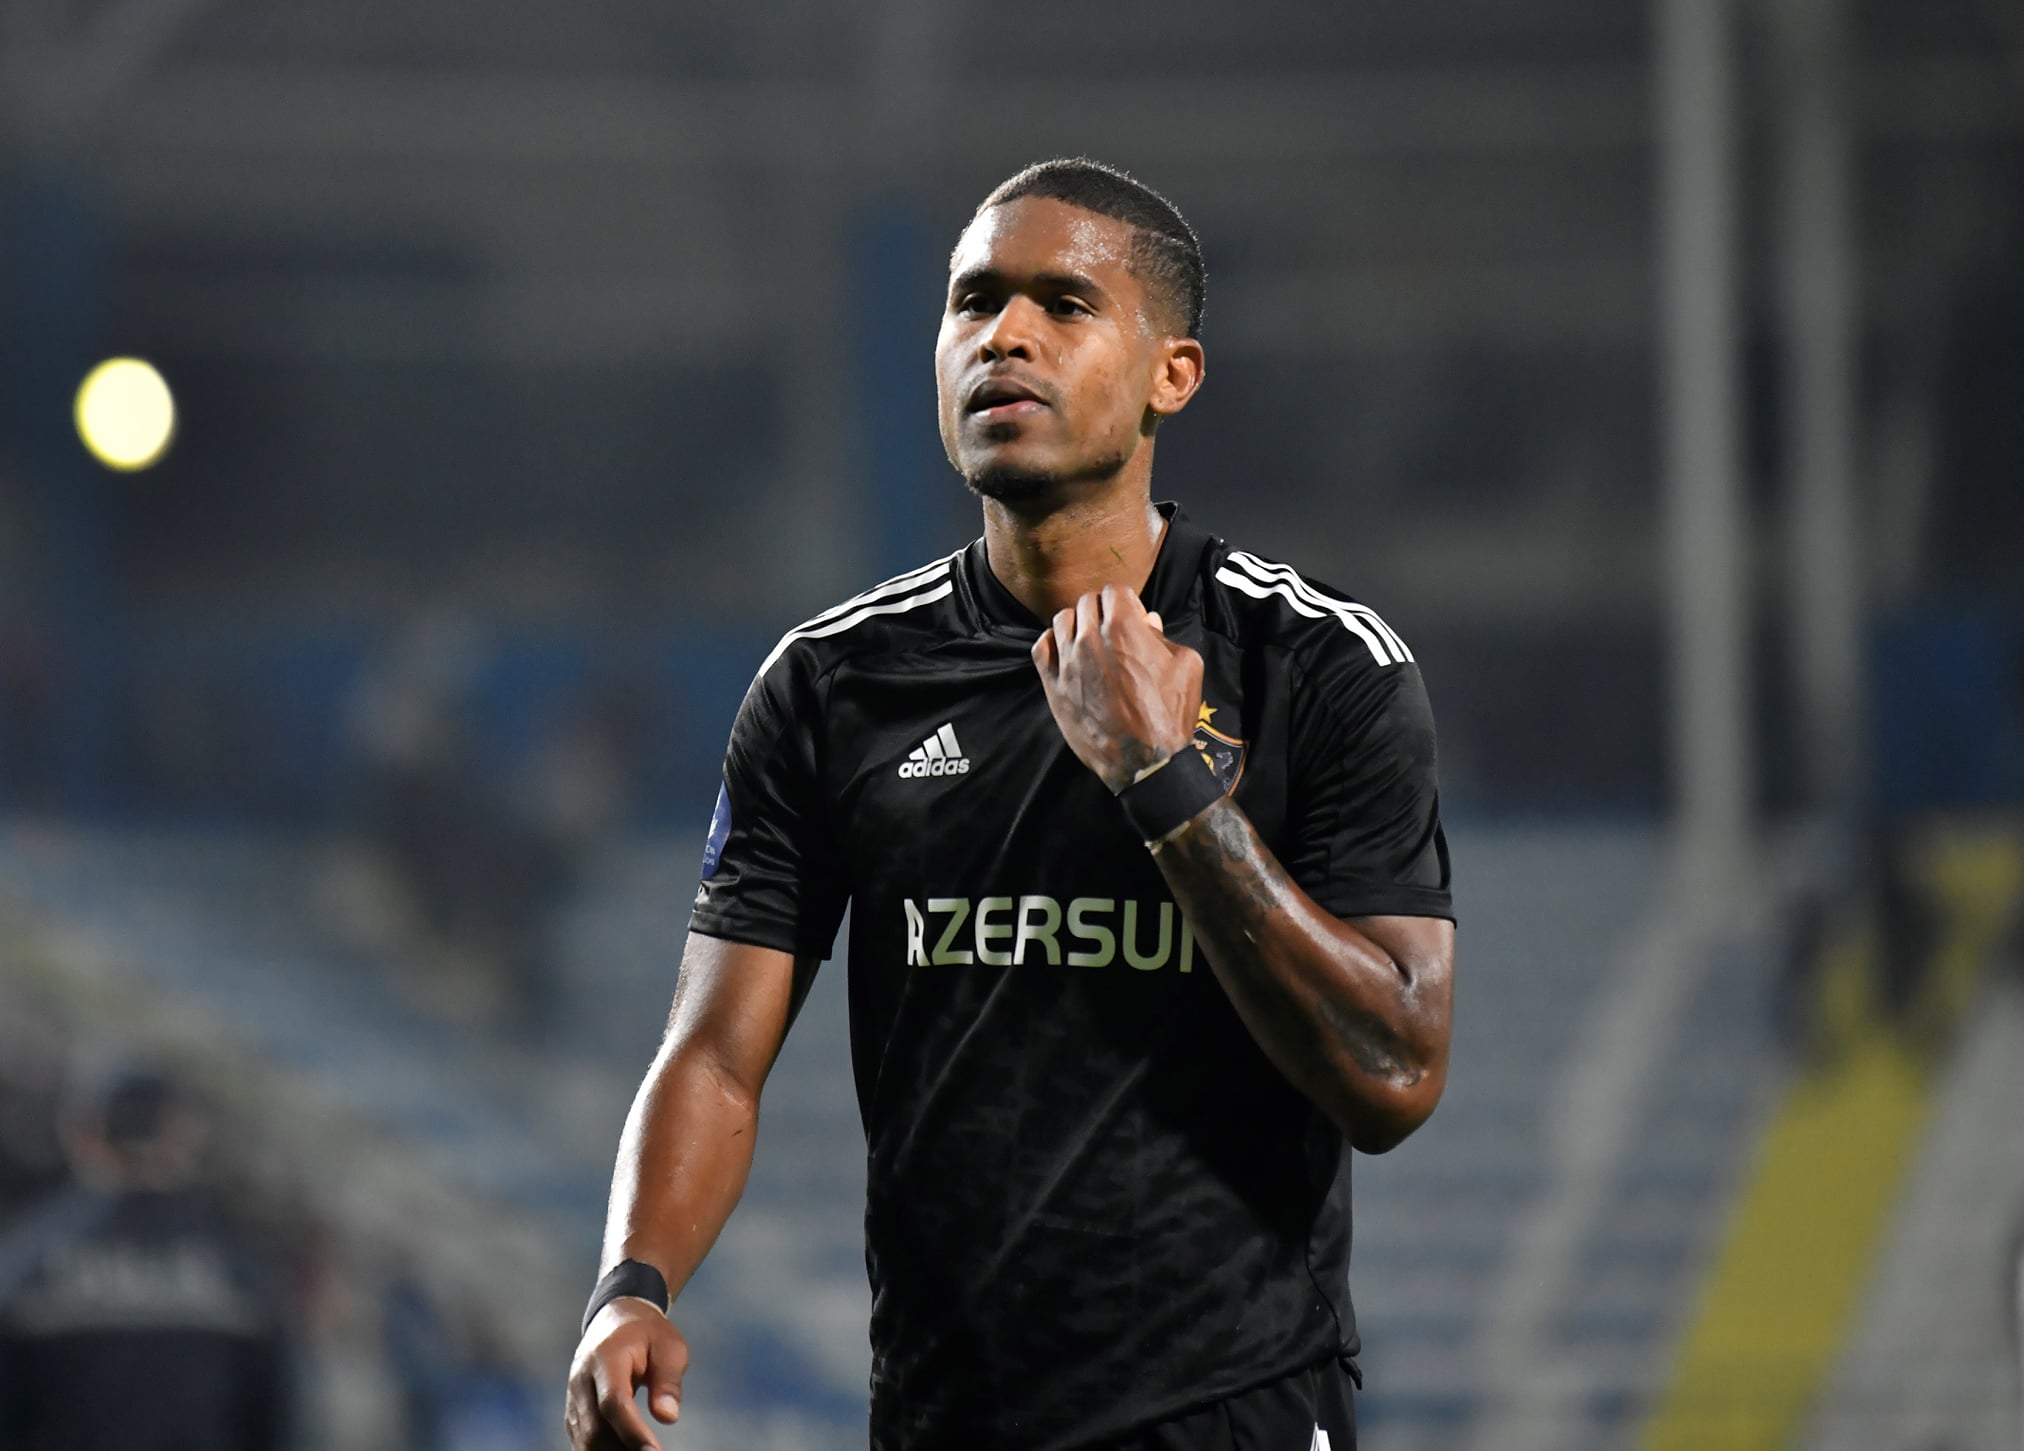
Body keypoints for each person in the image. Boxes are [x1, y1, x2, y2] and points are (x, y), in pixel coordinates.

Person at [565, 158, 1456, 1451]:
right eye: (973, 300)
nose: (1004, 335)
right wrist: (630, 1284)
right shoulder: (832, 683)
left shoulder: (1315, 665)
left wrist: (1165, 780)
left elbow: (1395, 1074)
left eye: (1064, 303)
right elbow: (712, 1055)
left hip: (1235, 1418)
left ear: (1171, 375)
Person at [0, 1064, 293, 1451]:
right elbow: (275, 1421)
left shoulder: (29, 1262)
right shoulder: (237, 1267)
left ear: (82, 1134)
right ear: (181, 1135)